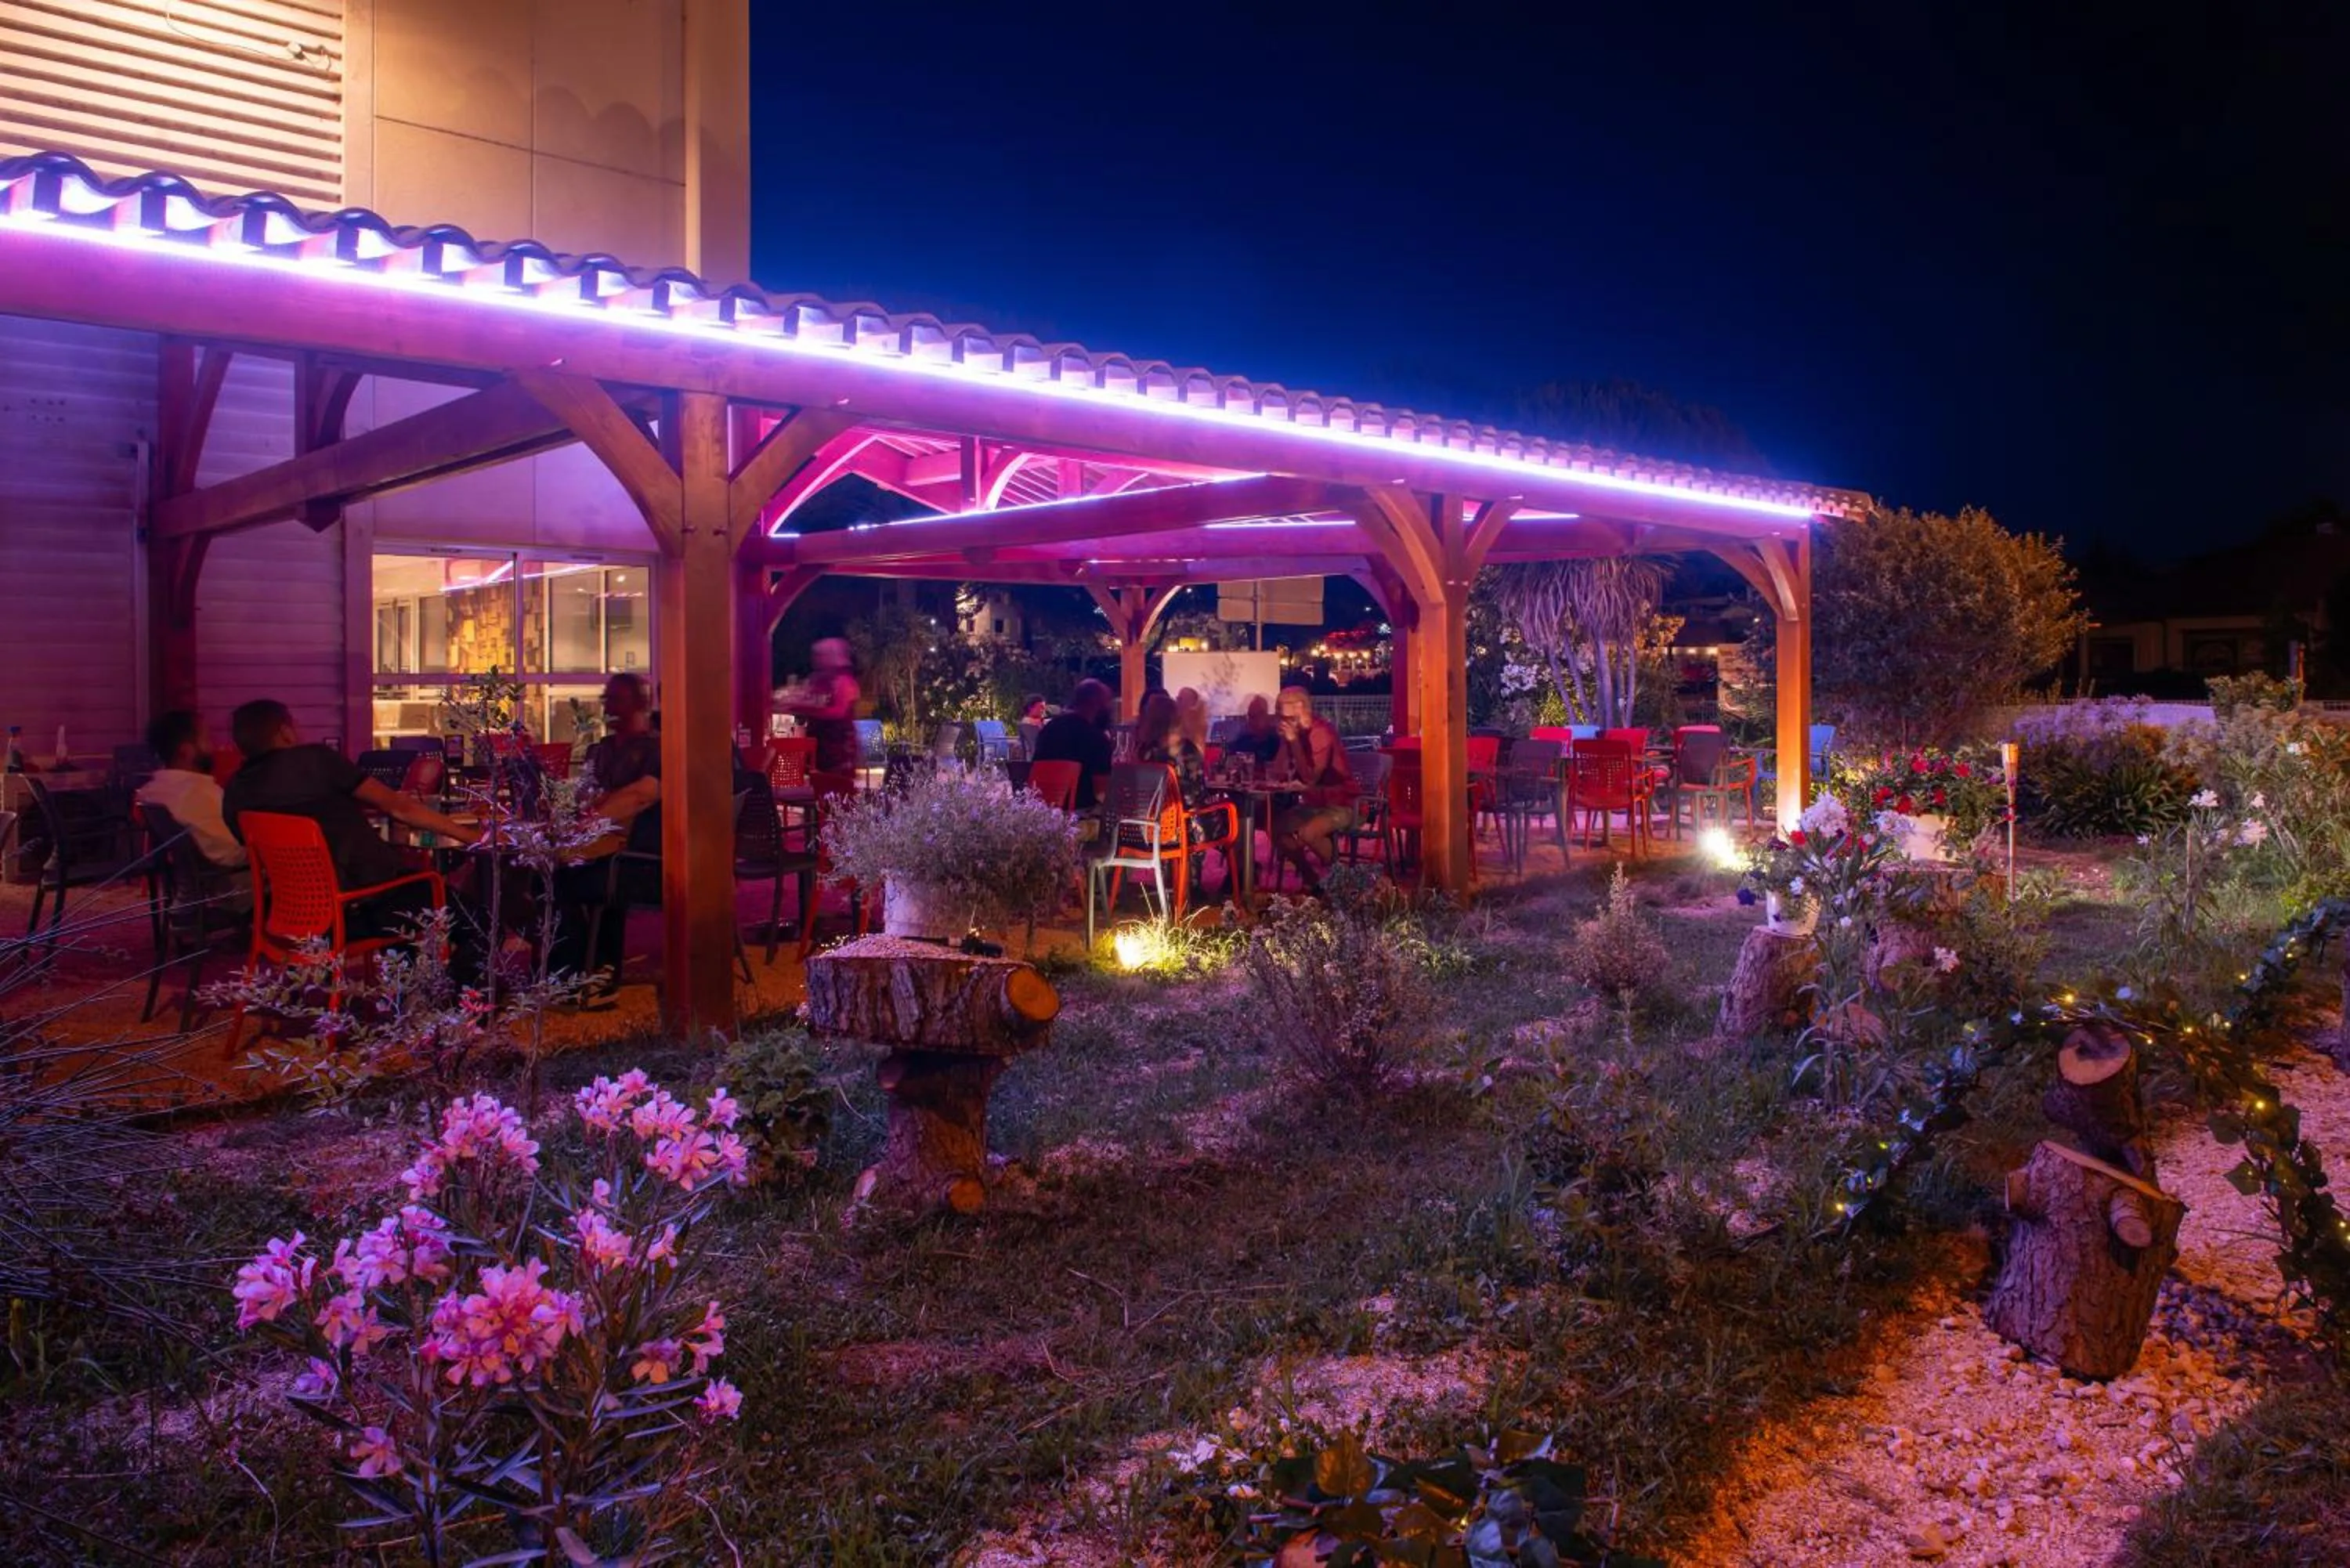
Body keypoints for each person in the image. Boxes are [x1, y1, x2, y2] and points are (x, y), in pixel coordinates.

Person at [221, 699, 479, 938]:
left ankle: (405, 971)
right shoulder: (315, 760)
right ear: (285, 732)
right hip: (365, 905)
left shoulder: (235, 792)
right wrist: (471, 836)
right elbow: (399, 807)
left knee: (409, 924)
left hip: (294, 917)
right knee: (480, 923)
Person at [136, 710, 247, 874]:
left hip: (191, 880)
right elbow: (230, 853)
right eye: (207, 740)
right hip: (232, 879)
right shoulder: (198, 794)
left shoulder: (151, 792)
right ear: (186, 751)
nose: (214, 747)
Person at [1269, 687, 1355, 895]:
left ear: (1301, 708)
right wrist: (1285, 742)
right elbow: (1277, 774)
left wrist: (1294, 742)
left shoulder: (1321, 733)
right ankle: (1312, 880)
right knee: (1276, 829)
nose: (1283, 721)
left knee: (1308, 833)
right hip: (1313, 803)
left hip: (1341, 803)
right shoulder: (1294, 733)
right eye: (1280, 716)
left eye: (1287, 716)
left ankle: (1348, 880)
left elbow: (1310, 777)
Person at [1032, 677, 1115, 808]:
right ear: (1096, 706)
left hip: (1041, 808)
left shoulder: (1051, 728)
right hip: (1080, 811)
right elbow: (1102, 793)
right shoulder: (1096, 738)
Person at [782, 638, 860, 776]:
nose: (816, 660)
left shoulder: (844, 681)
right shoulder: (818, 679)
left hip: (838, 748)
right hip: (819, 747)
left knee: (836, 785)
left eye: (820, 656)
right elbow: (807, 698)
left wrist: (804, 709)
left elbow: (838, 712)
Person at [1227, 695, 1282, 767]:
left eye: (1255, 716)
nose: (1250, 721)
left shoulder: (1277, 739)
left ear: (1266, 716)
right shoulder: (1244, 738)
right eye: (1249, 716)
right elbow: (1229, 754)